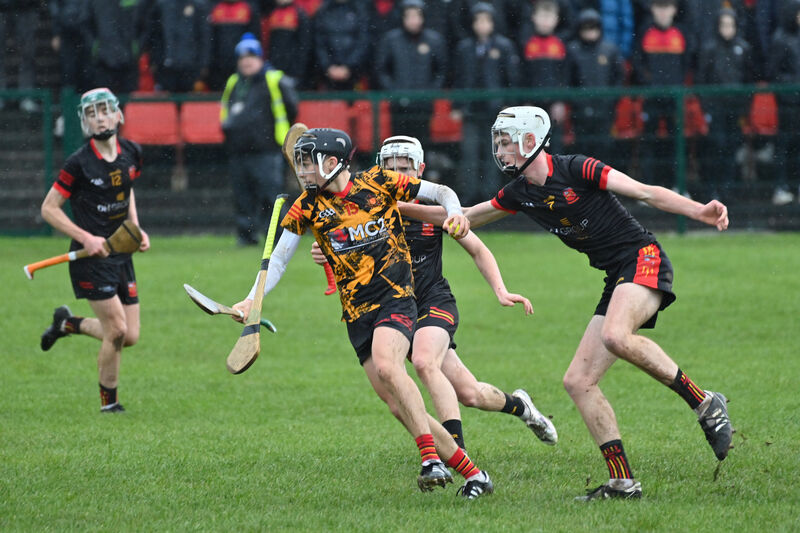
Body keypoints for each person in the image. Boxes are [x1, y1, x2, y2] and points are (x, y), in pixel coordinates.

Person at [402, 106, 733, 500]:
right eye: (499, 142)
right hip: (617, 276)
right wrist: (388, 206)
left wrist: (699, 211)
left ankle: (704, 402)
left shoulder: (578, 169)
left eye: (506, 141)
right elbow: (466, 215)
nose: (500, 150)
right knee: (577, 382)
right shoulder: (520, 192)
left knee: (615, 335)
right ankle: (623, 483)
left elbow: (644, 192)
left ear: (530, 140)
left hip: (642, 257)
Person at [232, 128, 494, 499]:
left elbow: (441, 192)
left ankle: (429, 460)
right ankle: (475, 475)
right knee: (396, 403)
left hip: (397, 298)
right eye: (301, 163)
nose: (302, 170)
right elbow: (277, 260)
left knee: (390, 367)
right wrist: (250, 300)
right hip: (356, 314)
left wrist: (454, 212)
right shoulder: (305, 206)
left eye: (310, 162)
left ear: (334, 162)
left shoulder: (378, 183)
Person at [311, 135, 557, 450]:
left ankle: (457, 454)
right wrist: (325, 254)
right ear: (381, 170)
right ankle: (522, 407)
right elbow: (344, 249)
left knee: (425, 362)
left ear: (421, 169)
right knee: (471, 394)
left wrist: (501, 290)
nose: (400, 172)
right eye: (392, 167)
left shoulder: (433, 209)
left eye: (406, 167)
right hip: (393, 310)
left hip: (432, 301)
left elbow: (478, 251)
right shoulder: (363, 210)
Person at [38, 88, 151, 413]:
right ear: (85, 122)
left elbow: (126, 190)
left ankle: (67, 324)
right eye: (91, 113)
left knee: (129, 336)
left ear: (118, 115)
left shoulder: (132, 152)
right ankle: (109, 405)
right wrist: (85, 237)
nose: (99, 117)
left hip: (122, 254)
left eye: (104, 110)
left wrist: (136, 228)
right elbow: (49, 209)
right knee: (115, 330)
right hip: (90, 259)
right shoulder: (79, 163)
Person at [220, 32, 299, 246]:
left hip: (268, 149)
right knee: (242, 197)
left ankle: (279, 237)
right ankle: (247, 236)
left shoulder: (274, 79)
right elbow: (226, 111)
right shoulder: (234, 81)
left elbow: (292, 108)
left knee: (271, 195)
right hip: (238, 150)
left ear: (260, 58)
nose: (246, 61)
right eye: (242, 58)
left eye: (251, 57)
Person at [452, 2, 520, 204]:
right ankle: (470, 193)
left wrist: (509, 104)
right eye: (478, 21)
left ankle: (492, 193)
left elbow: (512, 78)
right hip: (471, 109)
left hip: (496, 110)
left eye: (486, 20)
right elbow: (459, 78)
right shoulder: (464, 47)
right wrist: (458, 105)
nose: (482, 25)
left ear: (493, 22)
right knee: (470, 152)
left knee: (495, 153)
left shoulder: (504, 46)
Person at [695, 7, 754, 201]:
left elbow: (749, 79)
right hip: (715, 109)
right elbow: (701, 80)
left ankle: (729, 190)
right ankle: (712, 189)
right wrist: (706, 107)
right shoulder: (709, 48)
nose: (727, 29)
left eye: (730, 25)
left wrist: (744, 106)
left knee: (731, 148)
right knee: (715, 147)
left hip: (735, 109)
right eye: (723, 25)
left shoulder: (743, 48)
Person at [375, 0, 447, 147]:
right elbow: (381, 70)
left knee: (422, 145)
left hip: (423, 105)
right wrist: (393, 91)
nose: (414, 21)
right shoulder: (391, 40)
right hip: (398, 105)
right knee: (399, 146)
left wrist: (431, 92)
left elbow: (442, 71)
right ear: (402, 18)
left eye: (417, 16)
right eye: (409, 16)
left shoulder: (434, 40)